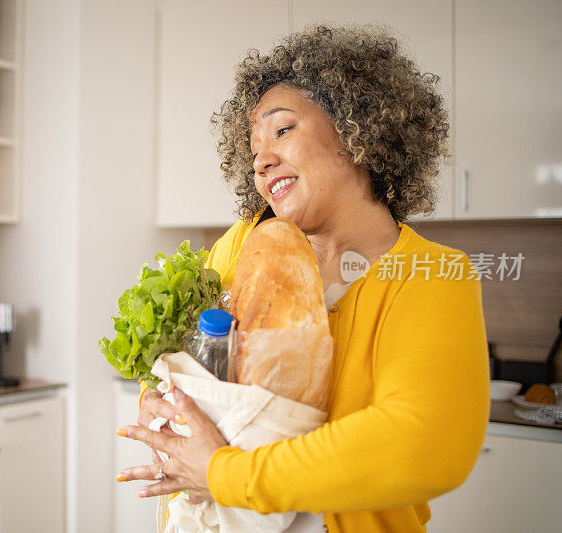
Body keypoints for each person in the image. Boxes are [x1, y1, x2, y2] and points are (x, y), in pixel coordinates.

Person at [115, 25, 489, 532]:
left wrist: (224, 473)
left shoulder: (430, 276)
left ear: (357, 132)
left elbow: (423, 444)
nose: (263, 161)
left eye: (283, 130)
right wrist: (164, 401)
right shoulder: (243, 245)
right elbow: (186, 371)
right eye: (253, 151)